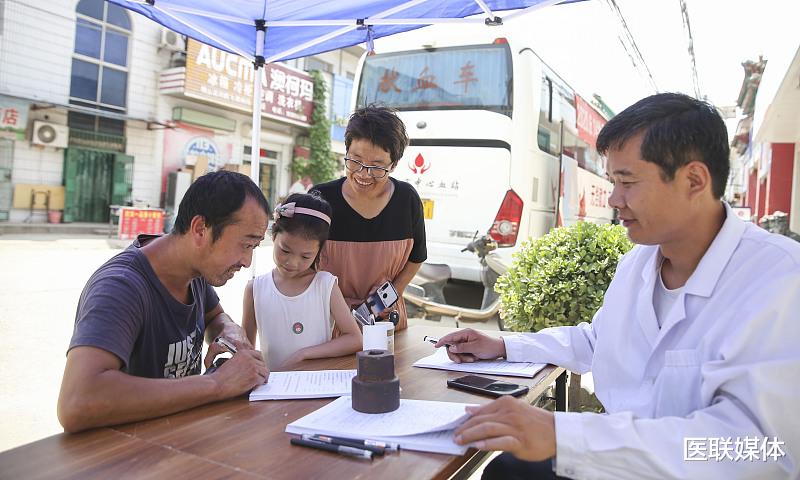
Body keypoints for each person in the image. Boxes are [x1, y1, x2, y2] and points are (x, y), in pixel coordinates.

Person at [437, 93, 800, 479]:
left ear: (694, 180)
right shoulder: (639, 261)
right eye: (613, 181)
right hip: (616, 465)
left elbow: (759, 450)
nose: (614, 200)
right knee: (506, 470)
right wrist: (505, 345)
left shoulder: (779, 279)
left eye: (627, 182)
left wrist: (568, 436)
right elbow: (599, 340)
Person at [58, 171, 270, 433]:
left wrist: (229, 330)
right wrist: (217, 384)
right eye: (245, 244)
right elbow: (77, 401)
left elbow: (215, 318)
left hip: (180, 440)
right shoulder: (121, 287)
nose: (247, 261)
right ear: (201, 229)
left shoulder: (195, 271)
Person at [312, 105, 426, 330]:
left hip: (386, 320)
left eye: (377, 166)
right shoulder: (322, 198)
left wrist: (386, 298)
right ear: (346, 152)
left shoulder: (406, 199)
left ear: (393, 164)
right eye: (355, 161)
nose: (364, 174)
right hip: (329, 321)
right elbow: (301, 260)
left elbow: (416, 258)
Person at [242, 192, 362, 369]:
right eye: (285, 250)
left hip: (315, 385)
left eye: (306, 256)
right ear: (273, 236)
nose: (293, 262)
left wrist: (303, 354)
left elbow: (355, 339)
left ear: (319, 251)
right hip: (273, 388)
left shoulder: (325, 285)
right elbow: (246, 350)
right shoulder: (255, 289)